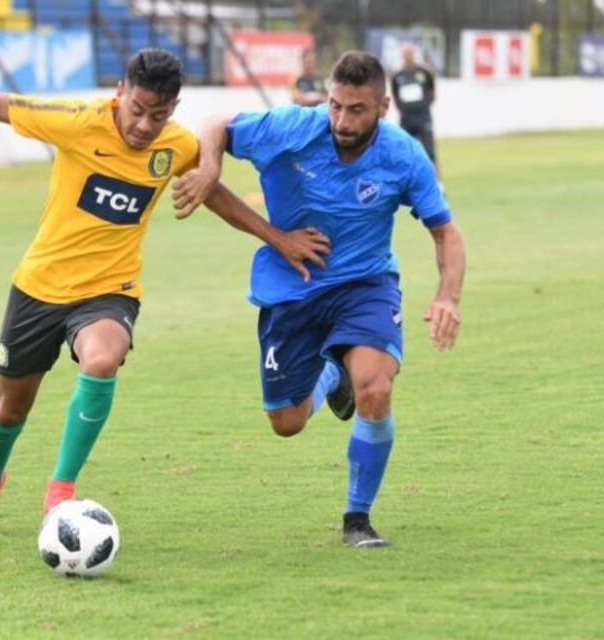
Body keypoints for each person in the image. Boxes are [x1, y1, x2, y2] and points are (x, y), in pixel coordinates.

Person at [0, 48, 329, 537]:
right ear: (119, 94)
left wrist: (277, 237)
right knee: (10, 409)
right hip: (39, 288)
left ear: (172, 111)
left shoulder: (174, 145)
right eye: (136, 111)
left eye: (157, 116)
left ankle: (61, 491)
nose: (142, 126)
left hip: (110, 291)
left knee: (102, 358)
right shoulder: (75, 121)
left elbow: (212, 190)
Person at [172, 51, 465, 548]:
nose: (341, 120)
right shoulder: (292, 127)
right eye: (334, 106)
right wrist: (212, 169)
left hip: (365, 284)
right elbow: (216, 123)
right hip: (291, 285)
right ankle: (333, 373)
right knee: (286, 421)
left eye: (356, 110)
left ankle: (358, 519)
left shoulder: (402, 154)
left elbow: (445, 233)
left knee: (375, 387)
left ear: (383, 106)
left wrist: (448, 298)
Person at [390, 42, 440, 174]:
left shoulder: (424, 72)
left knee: (430, 152)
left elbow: (433, 92)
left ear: (414, 54)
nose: (408, 56)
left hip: (423, 117)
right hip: (406, 118)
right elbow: (395, 96)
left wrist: (423, 106)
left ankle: (438, 186)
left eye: (410, 53)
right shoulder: (397, 76)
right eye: (405, 54)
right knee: (405, 152)